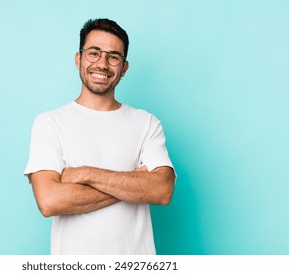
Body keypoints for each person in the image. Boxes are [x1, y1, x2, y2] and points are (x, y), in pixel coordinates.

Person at [23, 18, 176, 255]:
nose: (102, 64)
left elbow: (162, 190)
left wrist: (84, 174)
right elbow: (50, 201)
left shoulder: (146, 123)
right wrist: (133, 184)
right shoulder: (50, 123)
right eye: (94, 53)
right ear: (79, 59)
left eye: (113, 57)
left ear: (123, 68)